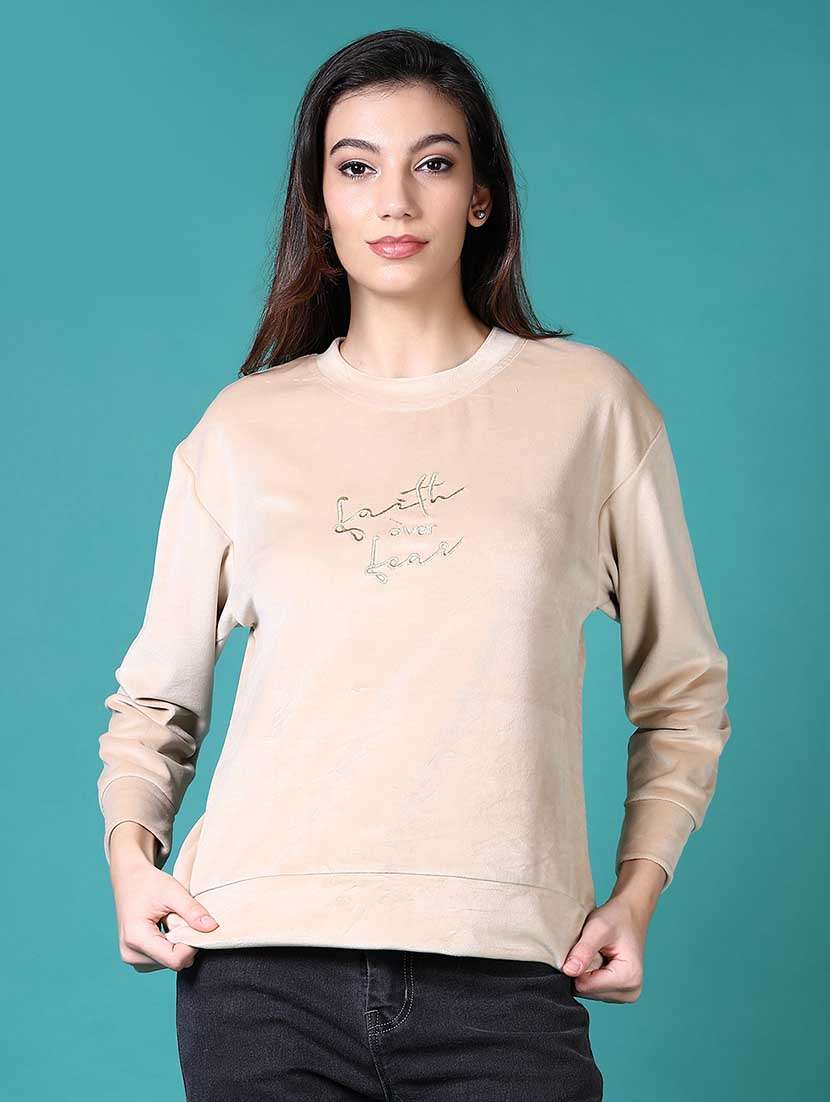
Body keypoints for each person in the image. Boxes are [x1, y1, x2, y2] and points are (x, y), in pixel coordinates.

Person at [97, 27, 731, 1102]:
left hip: (505, 973)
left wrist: (638, 889)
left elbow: (683, 694)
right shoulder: (243, 428)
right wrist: (129, 857)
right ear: (320, 202)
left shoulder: (589, 407)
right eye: (356, 167)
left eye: (431, 163)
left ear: (480, 198)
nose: (393, 200)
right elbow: (156, 700)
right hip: (259, 966)